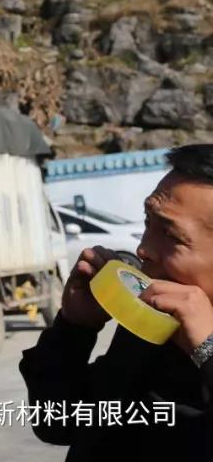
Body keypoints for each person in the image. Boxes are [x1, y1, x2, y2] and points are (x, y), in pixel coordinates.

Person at [19, 144, 213, 460]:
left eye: (172, 236)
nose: (143, 249)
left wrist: (208, 351)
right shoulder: (152, 329)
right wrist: (74, 328)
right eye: (148, 222)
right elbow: (57, 424)